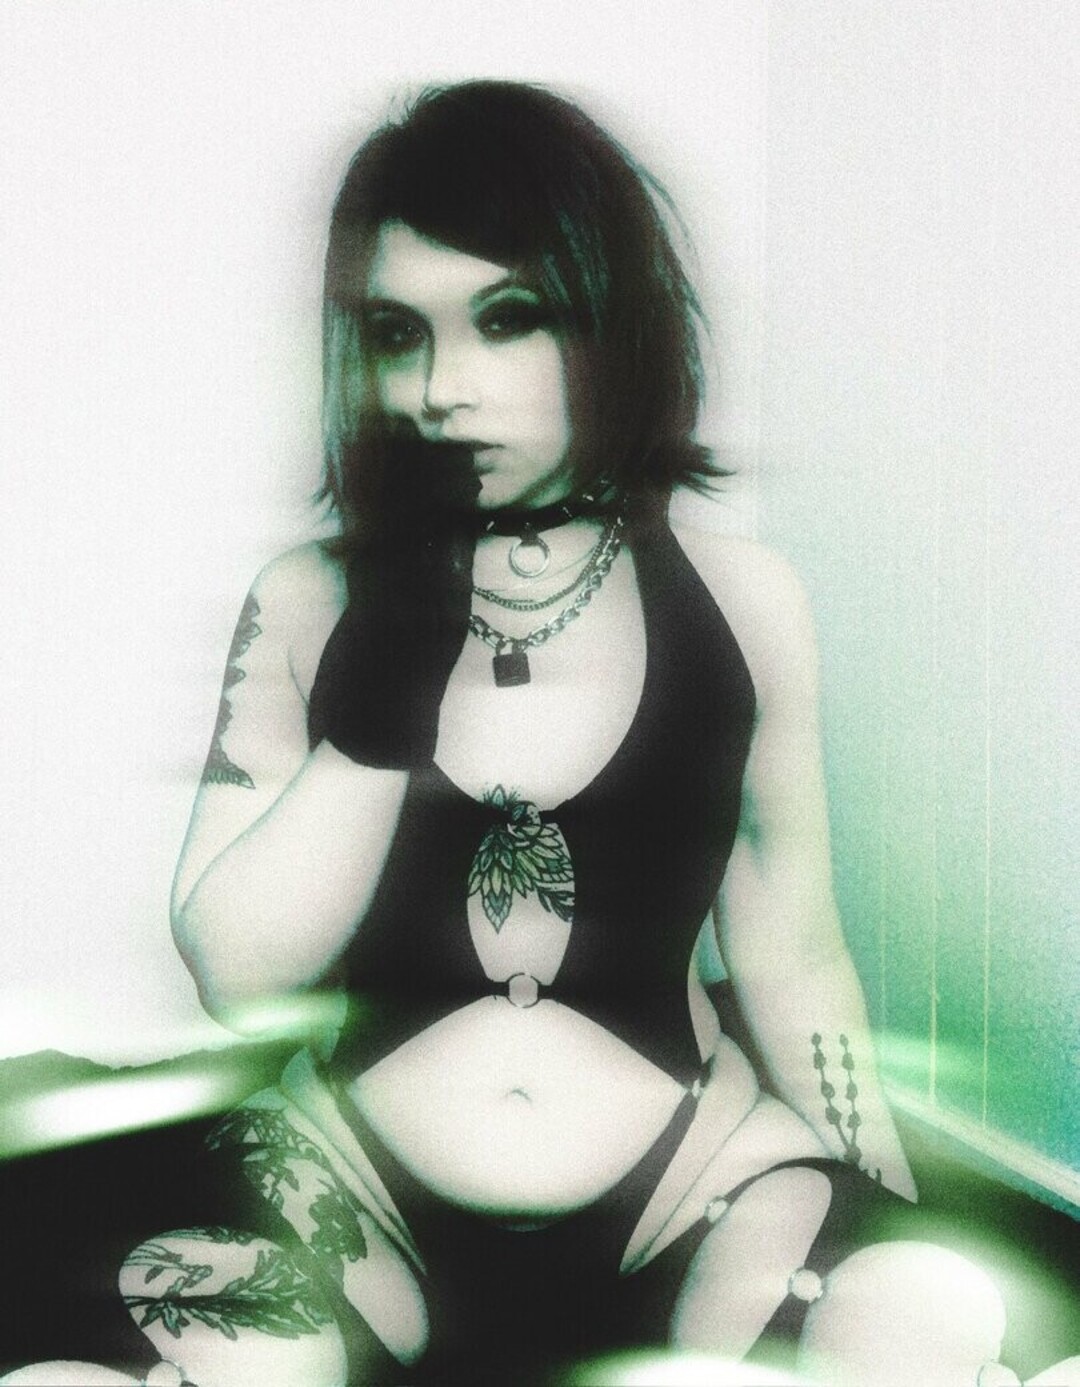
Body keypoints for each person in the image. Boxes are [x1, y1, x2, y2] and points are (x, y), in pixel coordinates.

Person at [111, 80, 1026, 1387]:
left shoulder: (744, 600)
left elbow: (792, 944)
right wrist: (378, 705)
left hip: (693, 1183)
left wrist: (883, 1202)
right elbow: (236, 978)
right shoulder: (309, 600)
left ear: (610, 320)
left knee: (930, 1312)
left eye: (508, 319)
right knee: (177, 1343)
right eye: (396, 334)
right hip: (352, 1187)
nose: (442, 390)